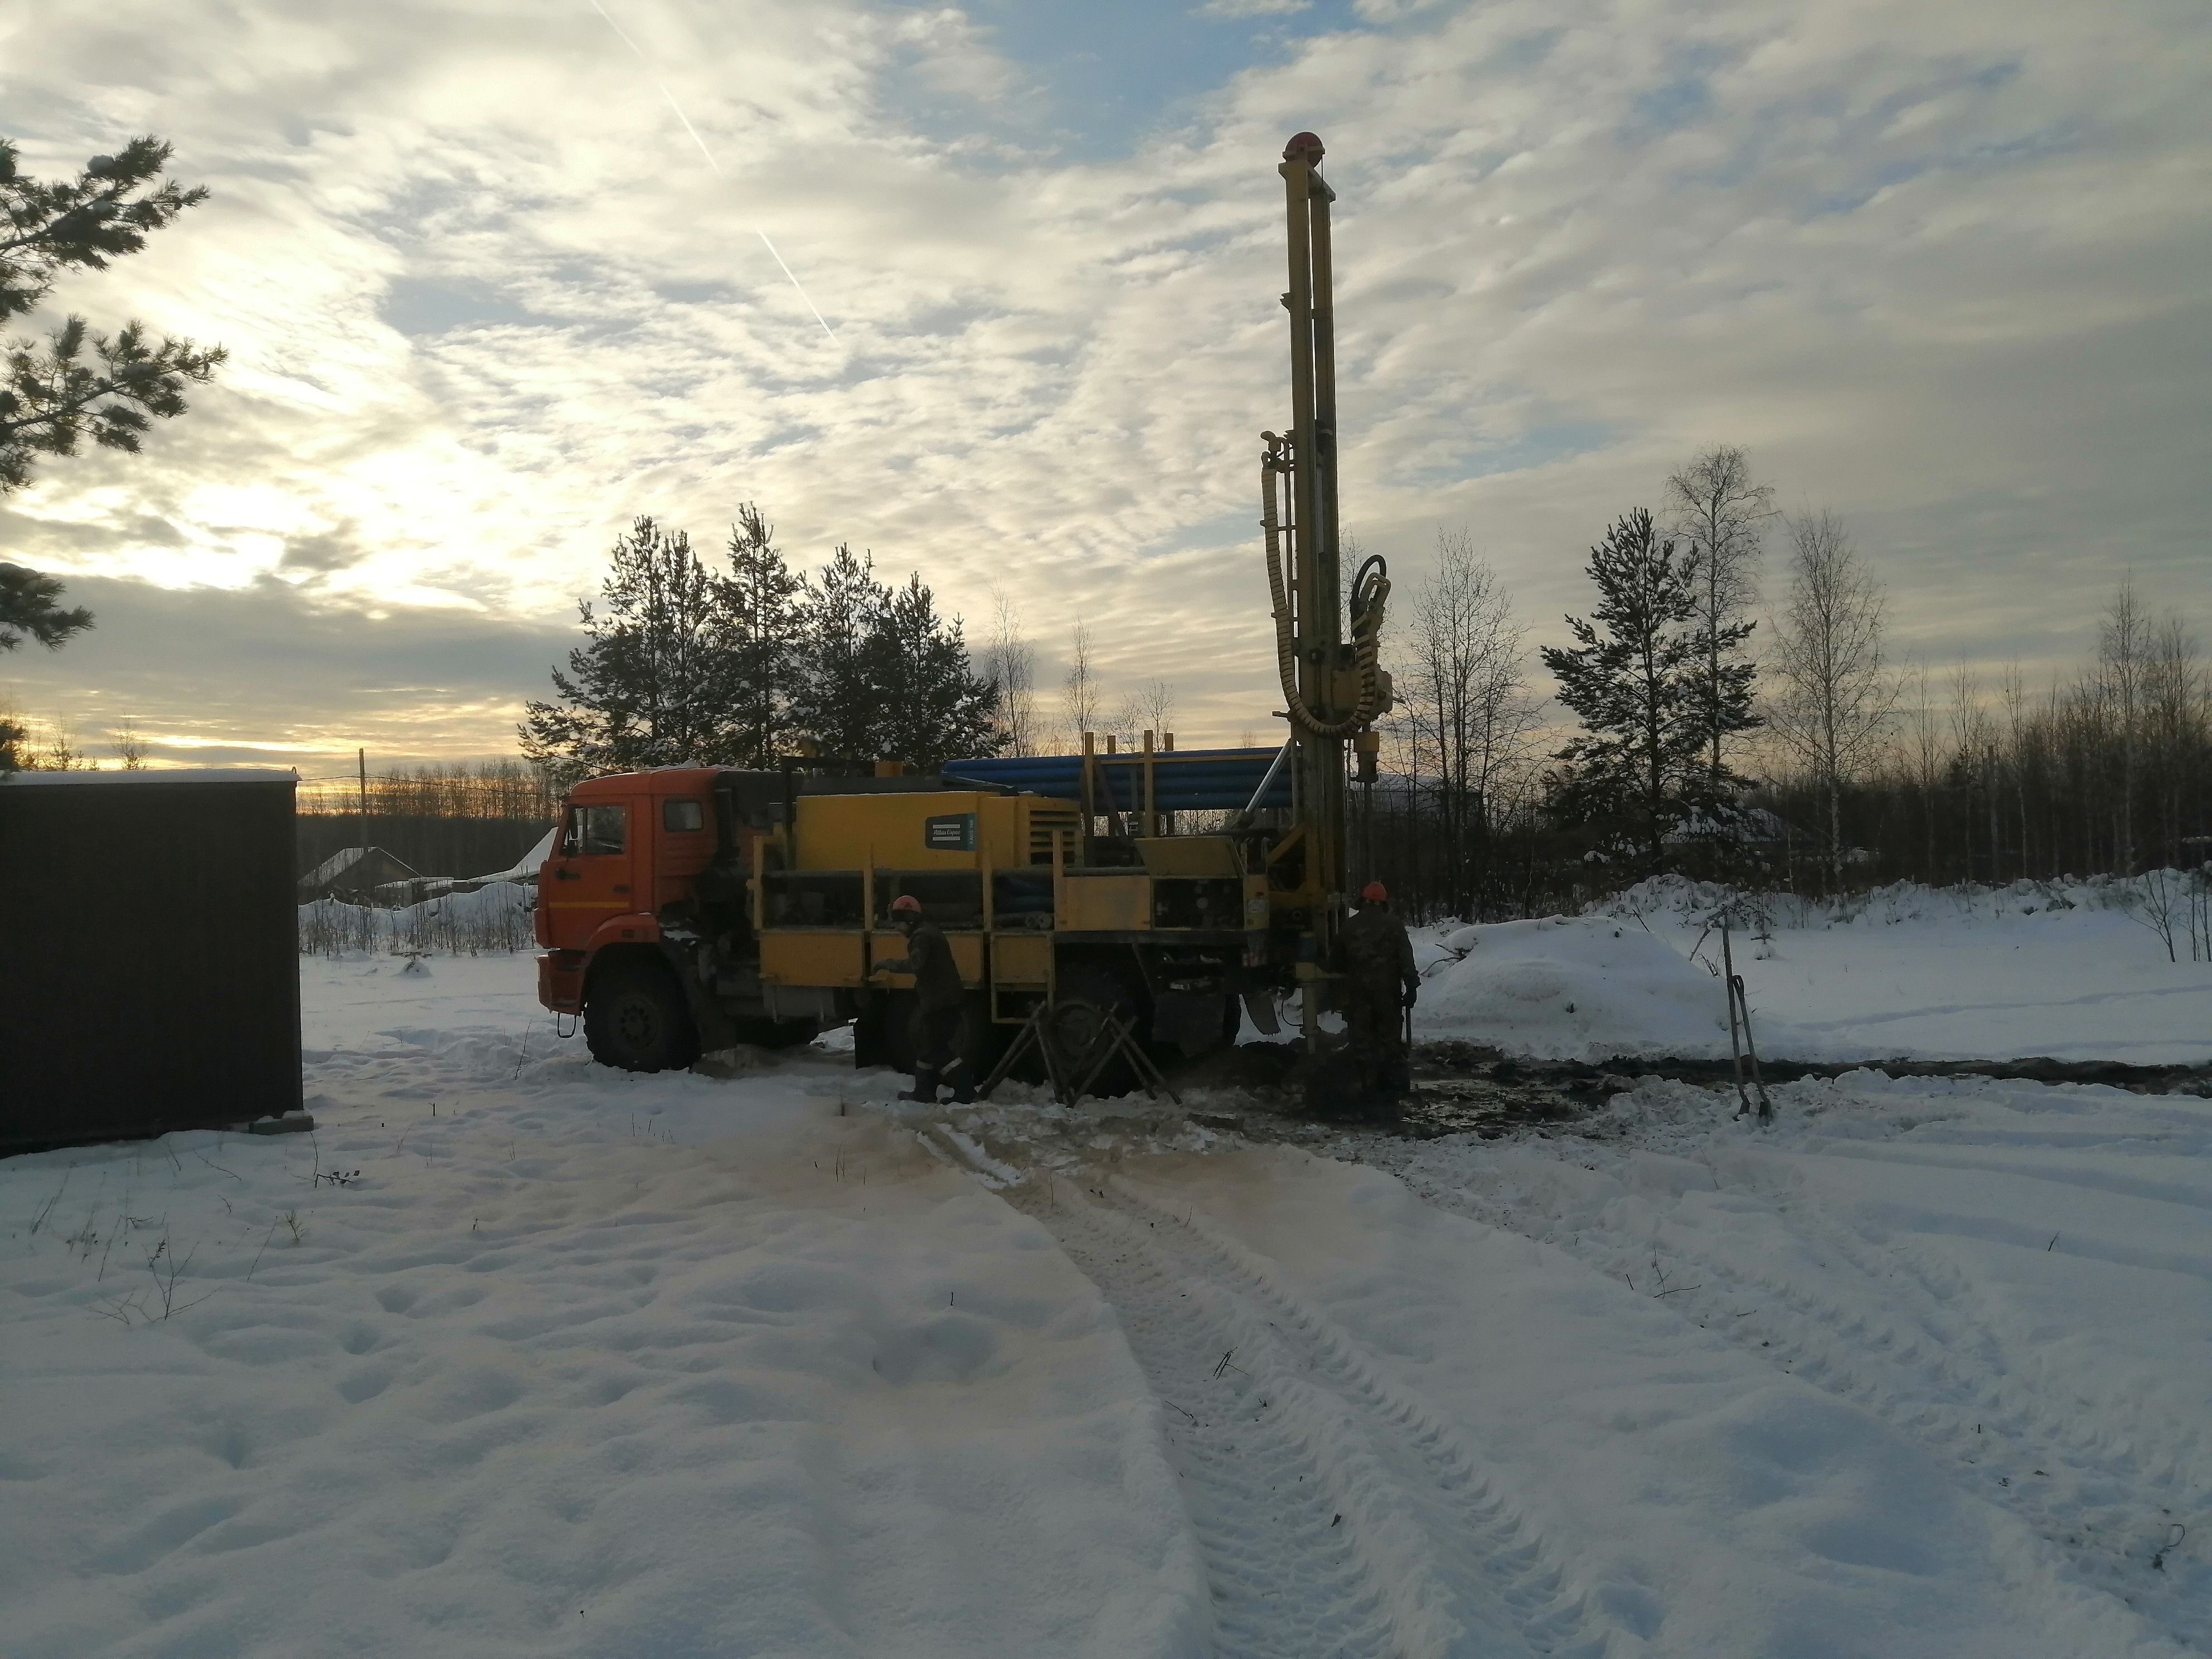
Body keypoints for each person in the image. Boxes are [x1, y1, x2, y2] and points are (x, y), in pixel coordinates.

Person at [874, 892, 974, 1103]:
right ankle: (924, 1092)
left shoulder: (922, 936)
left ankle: (965, 1091)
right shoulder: (928, 931)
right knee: (925, 1045)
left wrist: (887, 964)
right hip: (942, 1000)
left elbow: (917, 965)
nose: (896, 929)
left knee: (936, 1049)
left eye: (898, 923)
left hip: (941, 1002)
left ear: (909, 919)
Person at [1335, 880, 1419, 1103]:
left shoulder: (1349, 927)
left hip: (1359, 996)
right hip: (1387, 996)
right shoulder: (1394, 926)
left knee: (1361, 1042)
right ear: (1383, 903)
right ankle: (1393, 1090)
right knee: (1390, 1042)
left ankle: (1366, 1088)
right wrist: (1411, 987)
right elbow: (1406, 959)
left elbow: (1336, 963)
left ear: (1363, 900)